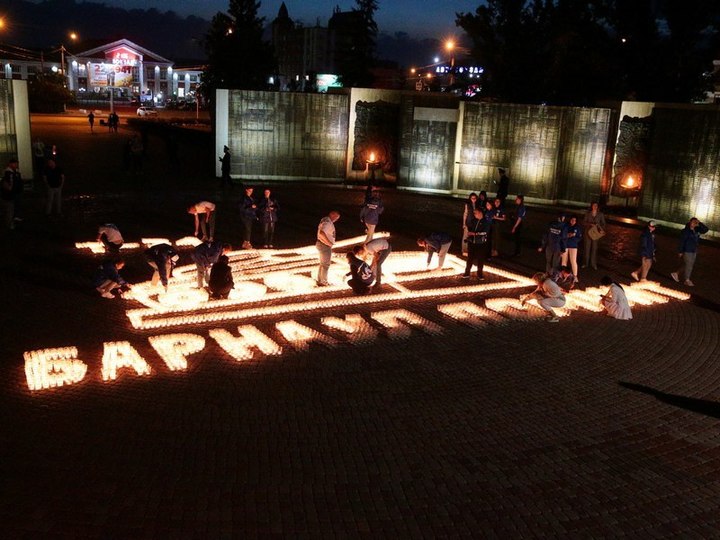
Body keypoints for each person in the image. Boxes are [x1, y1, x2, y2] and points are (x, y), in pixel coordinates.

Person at [671, 217, 709, 287]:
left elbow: (706, 229)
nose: (694, 223)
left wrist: (700, 223)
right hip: (687, 250)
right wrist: (680, 251)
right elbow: (682, 241)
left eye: (695, 222)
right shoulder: (685, 231)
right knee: (689, 265)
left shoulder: (697, 230)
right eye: (693, 222)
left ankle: (676, 273)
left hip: (694, 250)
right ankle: (687, 280)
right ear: (690, 222)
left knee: (687, 264)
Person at [463, 208, 491, 280]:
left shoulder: (486, 222)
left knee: (480, 259)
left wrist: (475, 234)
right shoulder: (473, 221)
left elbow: (485, 232)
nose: (474, 214)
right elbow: (470, 228)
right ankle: (467, 272)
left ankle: (480, 274)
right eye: (474, 213)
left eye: (475, 213)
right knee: (470, 258)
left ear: (480, 213)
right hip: (472, 243)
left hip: (481, 243)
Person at [316, 211, 340, 286]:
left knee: (323, 264)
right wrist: (329, 243)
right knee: (325, 264)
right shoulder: (327, 222)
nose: (336, 219)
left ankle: (320, 280)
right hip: (324, 245)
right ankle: (323, 281)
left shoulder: (325, 220)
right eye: (336, 217)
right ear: (332, 215)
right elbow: (321, 233)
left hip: (322, 244)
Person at [582, 201, 606, 270]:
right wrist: (590, 224)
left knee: (594, 249)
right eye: (594, 205)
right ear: (591, 206)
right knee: (587, 248)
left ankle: (593, 264)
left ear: (597, 207)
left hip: (596, 234)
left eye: (596, 205)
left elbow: (603, 224)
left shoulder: (600, 214)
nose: (595, 207)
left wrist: (599, 227)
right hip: (588, 233)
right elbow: (584, 222)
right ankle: (585, 263)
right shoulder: (588, 213)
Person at [1, 158, 20, 230]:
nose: (16, 165)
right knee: (9, 210)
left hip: (10, 194)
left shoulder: (13, 172)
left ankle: (9, 222)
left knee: (10, 209)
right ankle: (9, 224)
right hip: (9, 195)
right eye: (15, 164)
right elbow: (8, 185)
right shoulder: (8, 173)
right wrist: (10, 189)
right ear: (11, 164)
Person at [562, 215, 582, 282]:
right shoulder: (566, 226)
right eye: (572, 220)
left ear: (576, 221)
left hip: (573, 246)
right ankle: (563, 275)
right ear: (570, 220)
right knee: (564, 261)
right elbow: (563, 234)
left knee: (573, 261)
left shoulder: (577, 228)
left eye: (574, 220)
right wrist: (567, 235)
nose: (573, 221)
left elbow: (579, 237)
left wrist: (573, 238)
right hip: (565, 245)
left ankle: (575, 276)